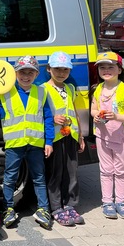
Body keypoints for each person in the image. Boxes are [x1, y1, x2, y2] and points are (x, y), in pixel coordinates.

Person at [0, 55, 54, 230]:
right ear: (15, 73)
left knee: (39, 177)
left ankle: (43, 209)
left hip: (35, 143)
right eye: (22, 72)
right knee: (9, 178)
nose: (26, 76)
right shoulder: (7, 92)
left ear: (36, 75)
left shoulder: (41, 92)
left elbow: (48, 118)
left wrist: (49, 141)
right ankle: (8, 209)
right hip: (15, 144)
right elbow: (0, 114)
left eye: (31, 72)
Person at [90, 51, 124, 220]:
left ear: (119, 70)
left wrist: (116, 117)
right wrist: (95, 115)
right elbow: (93, 109)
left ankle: (121, 202)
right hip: (102, 135)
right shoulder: (98, 89)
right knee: (105, 170)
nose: (106, 70)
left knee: (120, 170)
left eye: (111, 67)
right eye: (102, 67)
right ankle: (107, 202)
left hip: (122, 137)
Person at [44, 51, 86, 227]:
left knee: (72, 172)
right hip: (54, 138)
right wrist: (53, 118)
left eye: (65, 69)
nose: (61, 73)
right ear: (48, 69)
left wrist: (81, 135)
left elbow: (75, 112)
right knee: (56, 173)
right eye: (57, 69)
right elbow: (40, 113)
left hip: (71, 136)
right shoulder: (43, 90)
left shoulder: (69, 88)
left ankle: (70, 205)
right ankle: (56, 207)